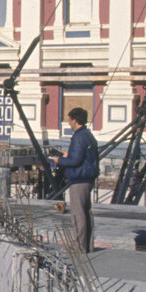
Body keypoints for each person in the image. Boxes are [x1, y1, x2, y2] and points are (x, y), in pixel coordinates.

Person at [54, 107, 100, 252]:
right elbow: (82, 156)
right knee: (86, 212)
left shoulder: (79, 136)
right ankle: (88, 245)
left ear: (75, 120)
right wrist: (69, 154)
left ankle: (79, 246)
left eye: (69, 120)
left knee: (78, 213)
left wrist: (59, 160)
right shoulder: (88, 135)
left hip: (79, 179)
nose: (68, 123)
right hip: (87, 177)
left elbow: (75, 161)